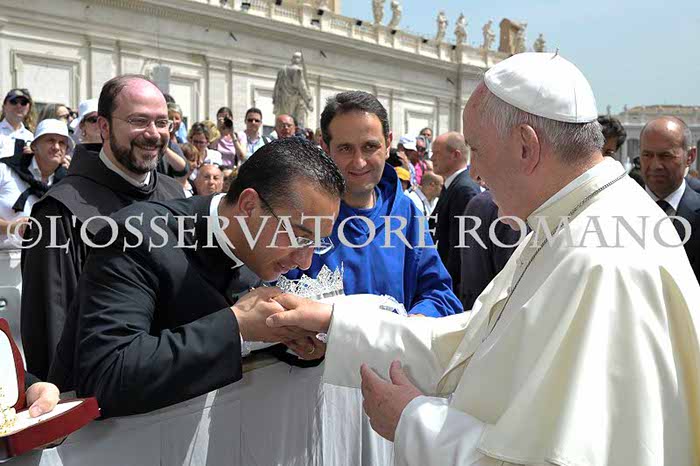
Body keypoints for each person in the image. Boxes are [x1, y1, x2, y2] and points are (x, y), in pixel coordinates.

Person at [268, 53, 700, 466]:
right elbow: (473, 341)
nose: (475, 173)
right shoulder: (570, 222)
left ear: (526, 146)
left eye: (478, 149)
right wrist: (333, 321)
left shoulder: (598, 261)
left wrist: (412, 422)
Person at [54, 137, 343, 417]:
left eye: (317, 244)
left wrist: (293, 342)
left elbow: (242, 337)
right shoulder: (137, 236)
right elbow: (106, 374)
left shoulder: (258, 247)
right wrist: (237, 326)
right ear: (249, 206)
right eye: (299, 237)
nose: (305, 262)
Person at [21, 75, 184, 381]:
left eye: (162, 123)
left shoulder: (175, 194)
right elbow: (52, 328)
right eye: (139, 121)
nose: (153, 134)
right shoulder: (60, 211)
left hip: (178, 378)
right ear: (105, 127)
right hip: (102, 392)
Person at [286, 91, 461, 318]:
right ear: (326, 149)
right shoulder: (299, 214)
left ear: (388, 144)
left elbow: (440, 295)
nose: (359, 162)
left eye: (370, 147)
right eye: (345, 148)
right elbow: (276, 297)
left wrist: (413, 323)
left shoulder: (407, 213)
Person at [640, 116, 700, 282]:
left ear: (690, 156)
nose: (655, 165)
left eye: (666, 156)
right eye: (647, 155)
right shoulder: (614, 210)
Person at [0, 120, 71, 249]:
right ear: (34, 146)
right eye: (50, 140)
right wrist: (12, 227)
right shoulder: (5, 170)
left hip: (49, 258)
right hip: (5, 255)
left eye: (62, 143)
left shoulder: (68, 183)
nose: (56, 147)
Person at [429, 131, 480, 293]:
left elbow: (460, 247)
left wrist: (446, 289)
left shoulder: (463, 190)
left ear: (455, 155)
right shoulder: (454, 186)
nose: (431, 158)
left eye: (437, 153)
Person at [459, 189, 521, 310]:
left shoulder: (478, 201)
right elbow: (509, 271)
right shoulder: (507, 205)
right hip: (495, 307)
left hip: (474, 303)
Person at [0, 89, 35, 158]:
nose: (19, 106)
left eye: (23, 103)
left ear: (29, 108)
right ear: (4, 106)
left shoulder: (31, 137)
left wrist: (34, 155)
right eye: (14, 102)